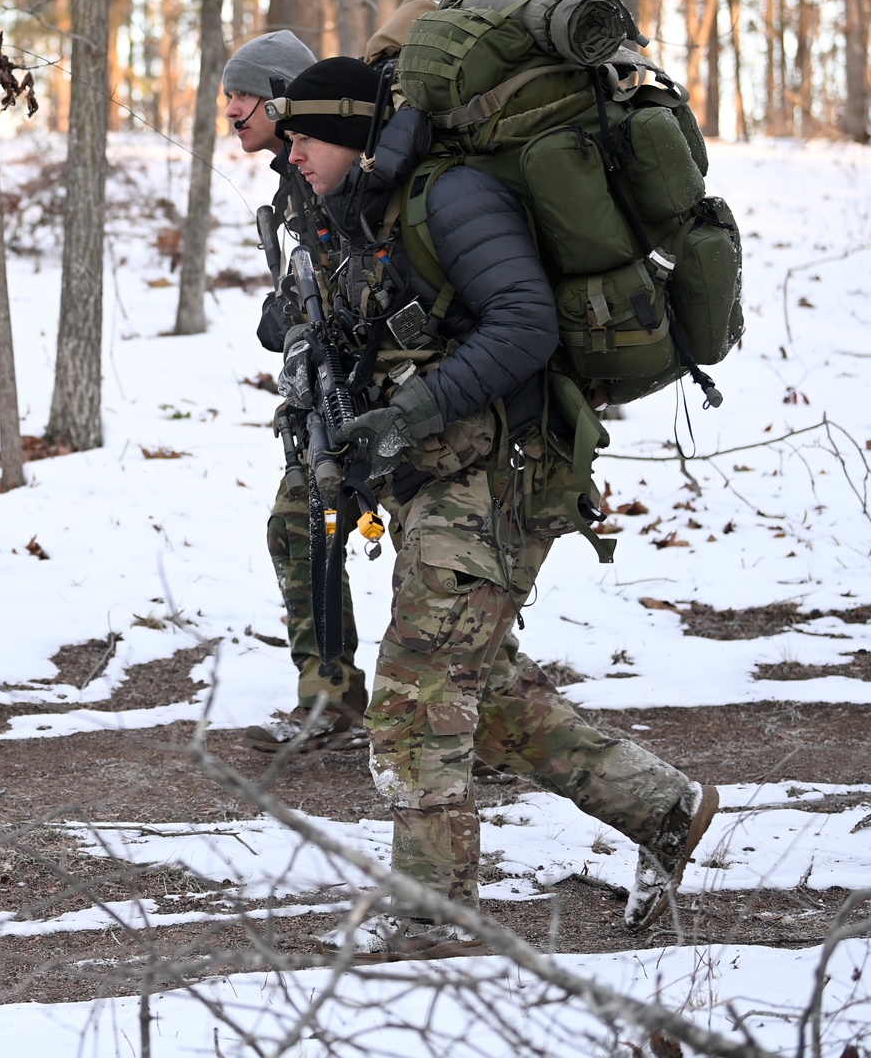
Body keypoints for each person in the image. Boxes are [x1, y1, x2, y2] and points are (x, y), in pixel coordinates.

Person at [269, 56, 720, 956]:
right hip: (436, 481)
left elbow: (524, 323)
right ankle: (664, 805)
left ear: (354, 132)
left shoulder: (453, 198)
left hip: (506, 471)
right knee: (492, 699)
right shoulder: (352, 213)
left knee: (416, 690)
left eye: (305, 134)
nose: (291, 151)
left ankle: (436, 922)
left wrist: (409, 416)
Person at [221, 33, 367, 752]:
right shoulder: (293, 181)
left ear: (281, 94)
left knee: (442, 572)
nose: (232, 110)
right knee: (298, 528)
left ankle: (491, 727)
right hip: (327, 399)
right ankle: (329, 703)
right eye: (227, 97)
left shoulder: (350, 171)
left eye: (243, 94)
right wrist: (284, 316)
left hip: (390, 401)